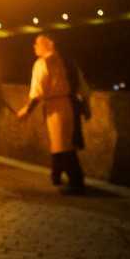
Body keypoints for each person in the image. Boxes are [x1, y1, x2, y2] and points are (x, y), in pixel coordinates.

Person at [17, 34, 90, 193]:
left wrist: (27, 110)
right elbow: (83, 88)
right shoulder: (69, 62)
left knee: (64, 145)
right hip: (70, 106)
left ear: (47, 45)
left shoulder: (42, 64)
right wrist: (86, 107)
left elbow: (38, 92)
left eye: (37, 43)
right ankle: (56, 174)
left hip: (56, 108)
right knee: (61, 142)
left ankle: (77, 181)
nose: (34, 46)